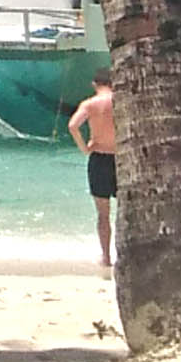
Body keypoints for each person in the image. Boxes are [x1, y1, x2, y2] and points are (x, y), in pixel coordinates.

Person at [68, 77, 122, 277]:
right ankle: (125, 255)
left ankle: (106, 257)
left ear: (94, 84)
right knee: (125, 211)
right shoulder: (122, 100)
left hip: (99, 159)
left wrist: (85, 148)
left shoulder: (90, 104)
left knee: (103, 213)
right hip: (121, 158)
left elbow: (73, 126)